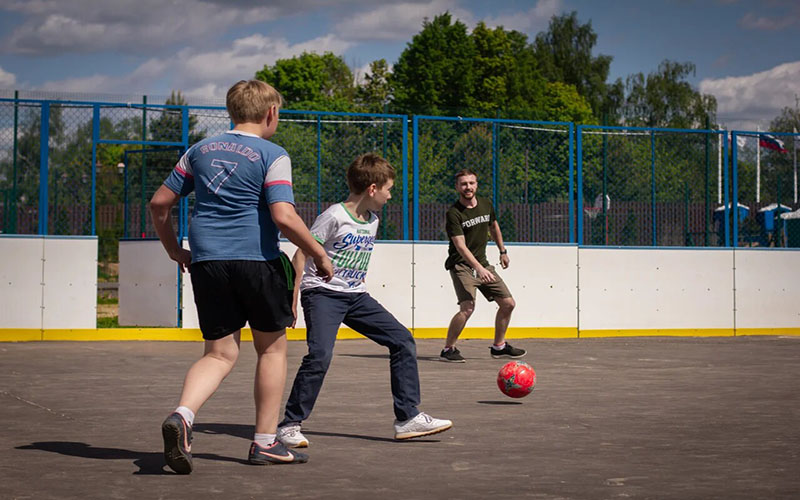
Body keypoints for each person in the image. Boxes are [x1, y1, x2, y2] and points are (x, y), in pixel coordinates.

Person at [149, 79, 333, 473]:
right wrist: (318, 252)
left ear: (231, 112)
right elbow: (283, 215)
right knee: (271, 350)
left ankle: (183, 415)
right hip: (257, 261)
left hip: (207, 262)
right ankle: (265, 443)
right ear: (271, 113)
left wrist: (174, 250)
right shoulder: (273, 154)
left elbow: (160, 203)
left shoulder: (197, 151)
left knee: (219, 354)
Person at [276, 153, 452, 448]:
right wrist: (292, 299)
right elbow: (301, 254)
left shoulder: (372, 220)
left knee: (402, 341)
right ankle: (289, 424)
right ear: (372, 189)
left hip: (356, 296)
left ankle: (407, 418)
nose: (390, 195)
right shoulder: (334, 216)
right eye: (388, 189)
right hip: (322, 294)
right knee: (320, 355)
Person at [440, 169, 526, 363]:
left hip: (483, 264)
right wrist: (478, 268)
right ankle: (448, 348)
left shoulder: (486, 204)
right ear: (457, 187)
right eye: (463, 184)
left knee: (508, 304)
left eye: (471, 183)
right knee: (467, 308)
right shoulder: (454, 213)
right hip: (461, 266)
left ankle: (499, 346)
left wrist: (502, 251)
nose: (468, 187)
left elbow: (493, 226)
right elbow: (460, 246)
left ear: (476, 185)